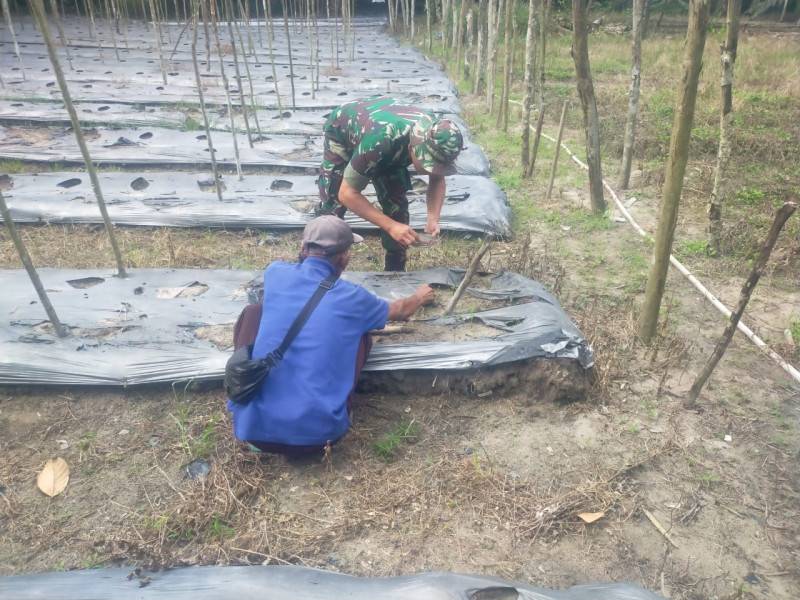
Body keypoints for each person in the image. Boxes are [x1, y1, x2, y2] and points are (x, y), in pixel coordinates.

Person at [227, 216, 435, 455]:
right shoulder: (354, 298)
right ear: (345, 256)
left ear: (303, 249)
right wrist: (420, 297)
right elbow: (400, 310)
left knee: (254, 312)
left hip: (253, 432)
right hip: (319, 437)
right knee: (361, 333)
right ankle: (336, 405)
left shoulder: (275, 272)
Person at [316, 96, 464, 272]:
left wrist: (433, 219)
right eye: (428, 163)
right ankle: (320, 265)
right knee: (332, 206)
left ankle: (395, 270)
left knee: (396, 206)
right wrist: (390, 226)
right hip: (344, 130)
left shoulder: (437, 134)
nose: (431, 170)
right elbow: (347, 194)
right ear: (412, 148)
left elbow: (438, 177)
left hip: (390, 141)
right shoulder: (379, 142)